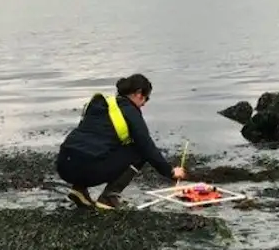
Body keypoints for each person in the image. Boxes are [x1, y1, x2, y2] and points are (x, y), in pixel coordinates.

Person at [56, 73, 186, 210]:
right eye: (145, 99)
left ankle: (79, 190)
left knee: (95, 146)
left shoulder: (99, 103)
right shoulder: (129, 110)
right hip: (87, 169)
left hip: (64, 165)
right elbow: (147, 147)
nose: (143, 105)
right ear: (139, 93)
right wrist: (170, 172)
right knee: (139, 150)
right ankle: (108, 197)